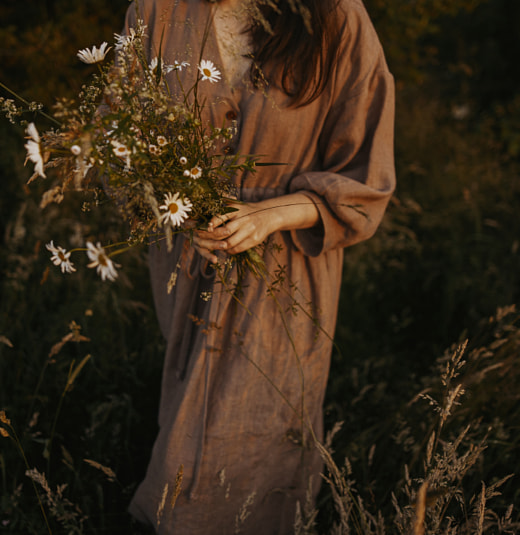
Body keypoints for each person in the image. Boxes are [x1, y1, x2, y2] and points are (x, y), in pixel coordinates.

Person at [124, 0, 396, 532]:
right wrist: (180, 210)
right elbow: (123, 136)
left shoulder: (336, 16)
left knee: (261, 438)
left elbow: (367, 173)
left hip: (287, 269)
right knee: (187, 427)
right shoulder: (154, 11)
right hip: (191, 263)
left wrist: (270, 213)